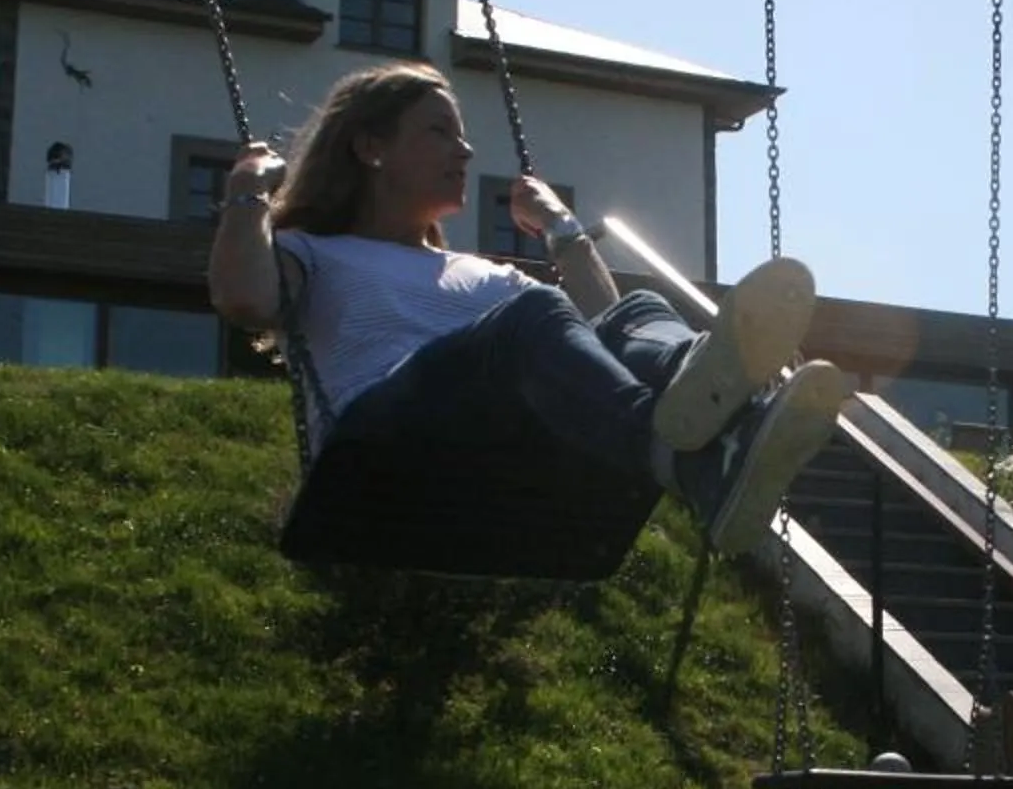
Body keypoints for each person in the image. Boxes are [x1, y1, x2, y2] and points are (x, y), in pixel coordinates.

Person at [206, 61, 848, 559]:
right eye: (439, 132)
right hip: (381, 445)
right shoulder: (311, 251)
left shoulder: (486, 276)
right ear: (371, 147)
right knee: (536, 313)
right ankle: (679, 456)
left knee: (638, 309)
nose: (465, 152)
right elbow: (244, 300)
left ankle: (722, 394)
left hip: (494, 434)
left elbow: (603, 329)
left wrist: (562, 230)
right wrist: (245, 194)